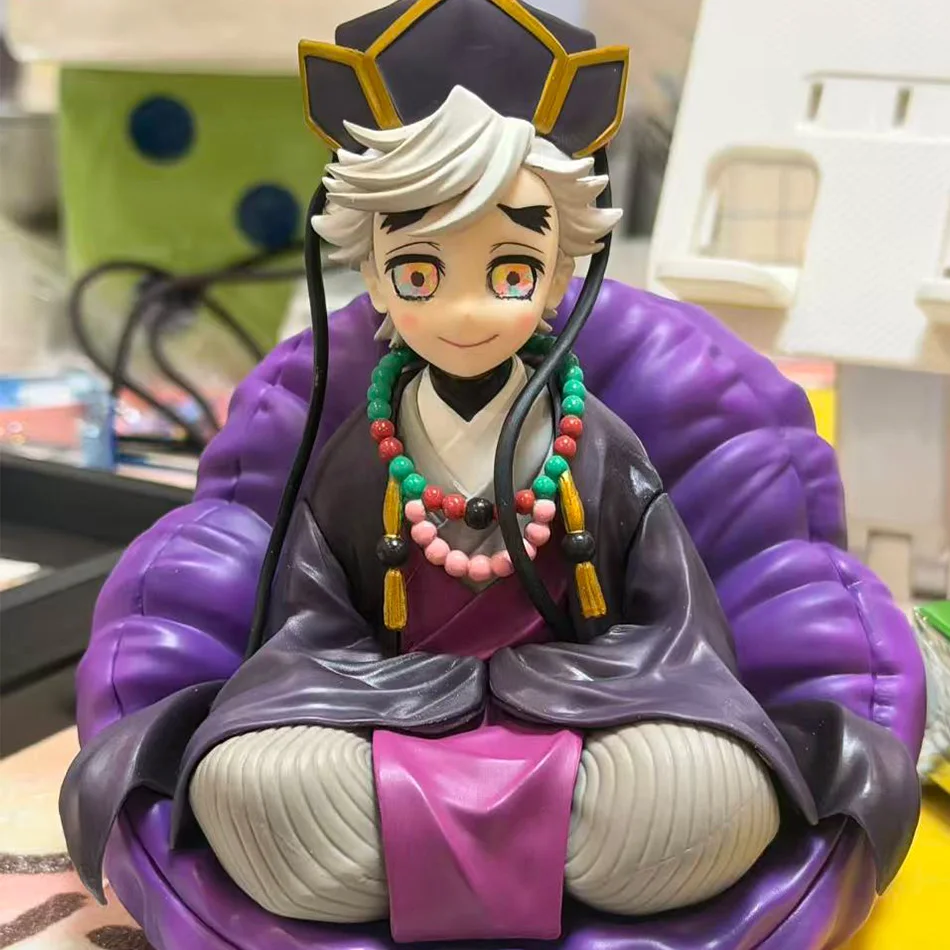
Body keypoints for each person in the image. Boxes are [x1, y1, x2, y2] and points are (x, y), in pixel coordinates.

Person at [60, 1, 919, 944]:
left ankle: (450, 860)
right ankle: (463, 853)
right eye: (421, 273)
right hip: (381, 720)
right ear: (372, 273)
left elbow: (679, 626)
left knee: (706, 787)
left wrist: (642, 700)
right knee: (252, 785)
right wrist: (320, 701)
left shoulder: (599, 446)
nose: (467, 311)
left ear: (560, 269)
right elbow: (309, 623)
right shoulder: (354, 456)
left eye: (509, 271)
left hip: (592, 720)